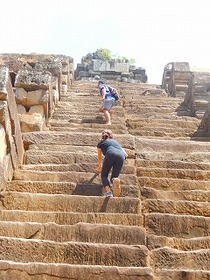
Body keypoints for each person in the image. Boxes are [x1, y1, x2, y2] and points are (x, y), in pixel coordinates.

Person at [96, 129, 128, 197]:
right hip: (121, 156)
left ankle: (109, 193)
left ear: (102, 136)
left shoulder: (101, 143)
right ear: (111, 136)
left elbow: (99, 157)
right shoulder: (116, 142)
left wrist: (99, 166)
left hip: (110, 153)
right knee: (114, 177)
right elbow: (126, 154)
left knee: (104, 175)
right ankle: (115, 180)